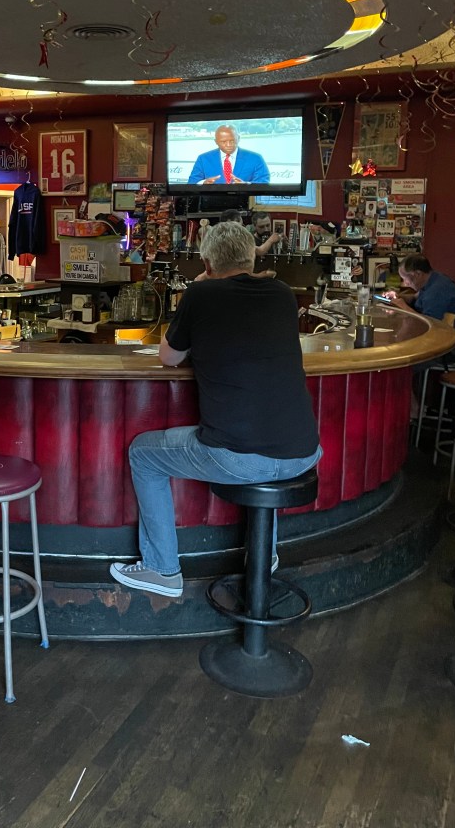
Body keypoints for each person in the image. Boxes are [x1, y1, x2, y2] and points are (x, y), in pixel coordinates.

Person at [109, 221, 321, 597]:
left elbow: (169, 357)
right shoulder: (283, 294)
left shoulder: (201, 294)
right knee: (264, 441)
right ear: (251, 257)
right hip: (304, 452)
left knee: (143, 453)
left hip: (240, 459)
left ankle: (161, 569)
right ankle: (264, 556)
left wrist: (199, 292)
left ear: (207, 263)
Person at [383, 253, 455, 358]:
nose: (405, 284)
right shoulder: (433, 279)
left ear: (418, 274)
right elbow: (416, 297)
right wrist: (398, 296)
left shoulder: (439, 290)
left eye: (405, 279)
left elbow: (428, 325)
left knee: (397, 351)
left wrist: (403, 307)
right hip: (434, 336)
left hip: (445, 347)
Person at [187, 125, 270, 185]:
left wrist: (246, 185)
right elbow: (192, 183)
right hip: (211, 201)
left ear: (238, 138)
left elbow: (264, 182)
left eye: (232, 141)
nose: (229, 145)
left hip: (245, 201)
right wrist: (203, 183)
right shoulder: (203, 159)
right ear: (216, 142)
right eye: (223, 142)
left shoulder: (255, 158)